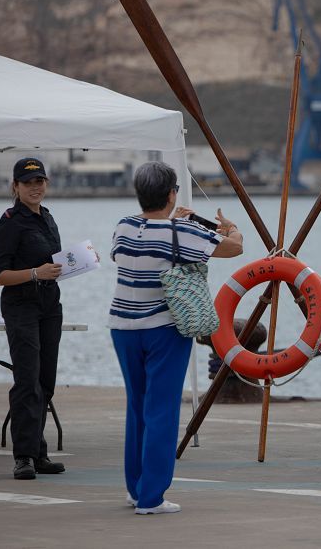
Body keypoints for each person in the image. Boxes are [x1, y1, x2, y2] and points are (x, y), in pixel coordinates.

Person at [109, 161, 243, 515]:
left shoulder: (124, 226)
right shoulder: (182, 232)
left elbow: (132, 250)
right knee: (162, 410)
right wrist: (229, 227)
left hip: (122, 327)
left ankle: (136, 489)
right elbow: (233, 247)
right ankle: (151, 498)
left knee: (137, 406)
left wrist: (176, 222)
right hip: (163, 329)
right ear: (171, 194)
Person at [0, 158, 67, 481]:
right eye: (27, 183)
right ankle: (23, 456)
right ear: (15, 186)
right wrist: (35, 273)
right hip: (21, 307)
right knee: (27, 380)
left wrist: (76, 263)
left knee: (45, 381)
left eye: (39, 182)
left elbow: (51, 263)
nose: (35, 188)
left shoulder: (47, 218)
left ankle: (38, 451)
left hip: (50, 305)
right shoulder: (9, 223)